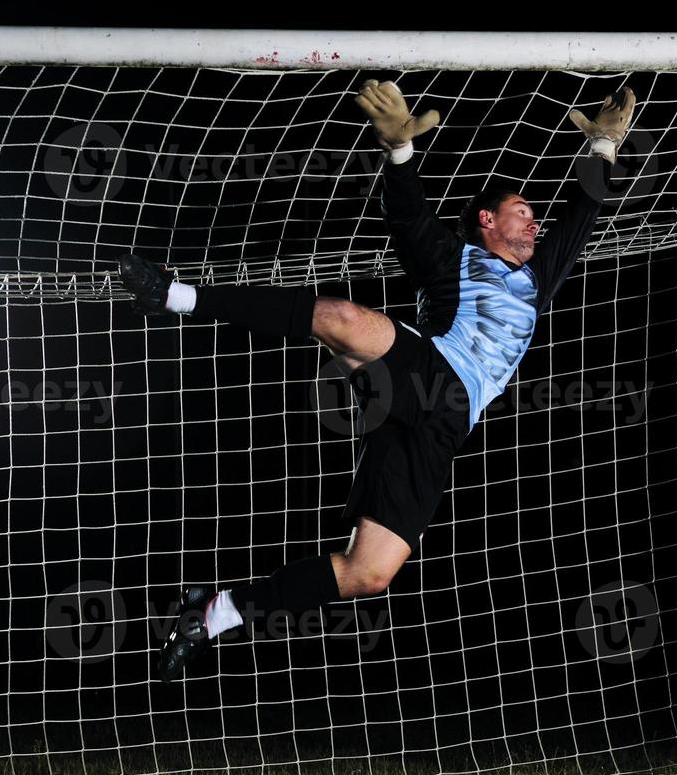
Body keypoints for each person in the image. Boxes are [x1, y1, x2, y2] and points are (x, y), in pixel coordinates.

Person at [119, 79, 636, 682]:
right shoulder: (450, 259)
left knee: (369, 573)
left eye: (534, 217)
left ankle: (214, 614)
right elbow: (408, 213)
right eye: (522, 213)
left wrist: (602, 146)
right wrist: (398, 153)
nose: (535, 223)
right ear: (487, 219)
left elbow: (582, 215)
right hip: (427, 368)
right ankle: (172, 295)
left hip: (444, 423)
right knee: (340, 318)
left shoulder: (536, 280)